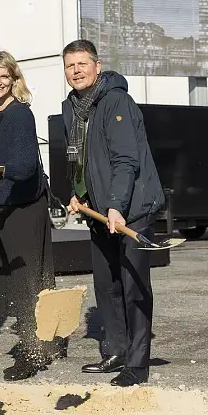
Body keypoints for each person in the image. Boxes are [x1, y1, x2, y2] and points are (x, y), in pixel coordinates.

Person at [62, 39, 165, 387]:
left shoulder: (116, 101)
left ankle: (138, 363)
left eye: (82, 64)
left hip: (129, 209)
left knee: (134, 285)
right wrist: (77, 195)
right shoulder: (72, 108)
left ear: (97, 65)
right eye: (69, 65)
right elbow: (77, 159)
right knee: (106, 285)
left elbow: (126, 160)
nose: (76, 70)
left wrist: (117, 207)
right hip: (99, 212)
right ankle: (117, 351)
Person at [0, 50, 62, 381]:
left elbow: (24, 166)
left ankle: (34, 351)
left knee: (29, 279)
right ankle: (35, 339)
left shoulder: (21, 114)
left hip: (26, 206)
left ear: (14, 79)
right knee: (11, 279)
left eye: (5, 76)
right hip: (2, 204)